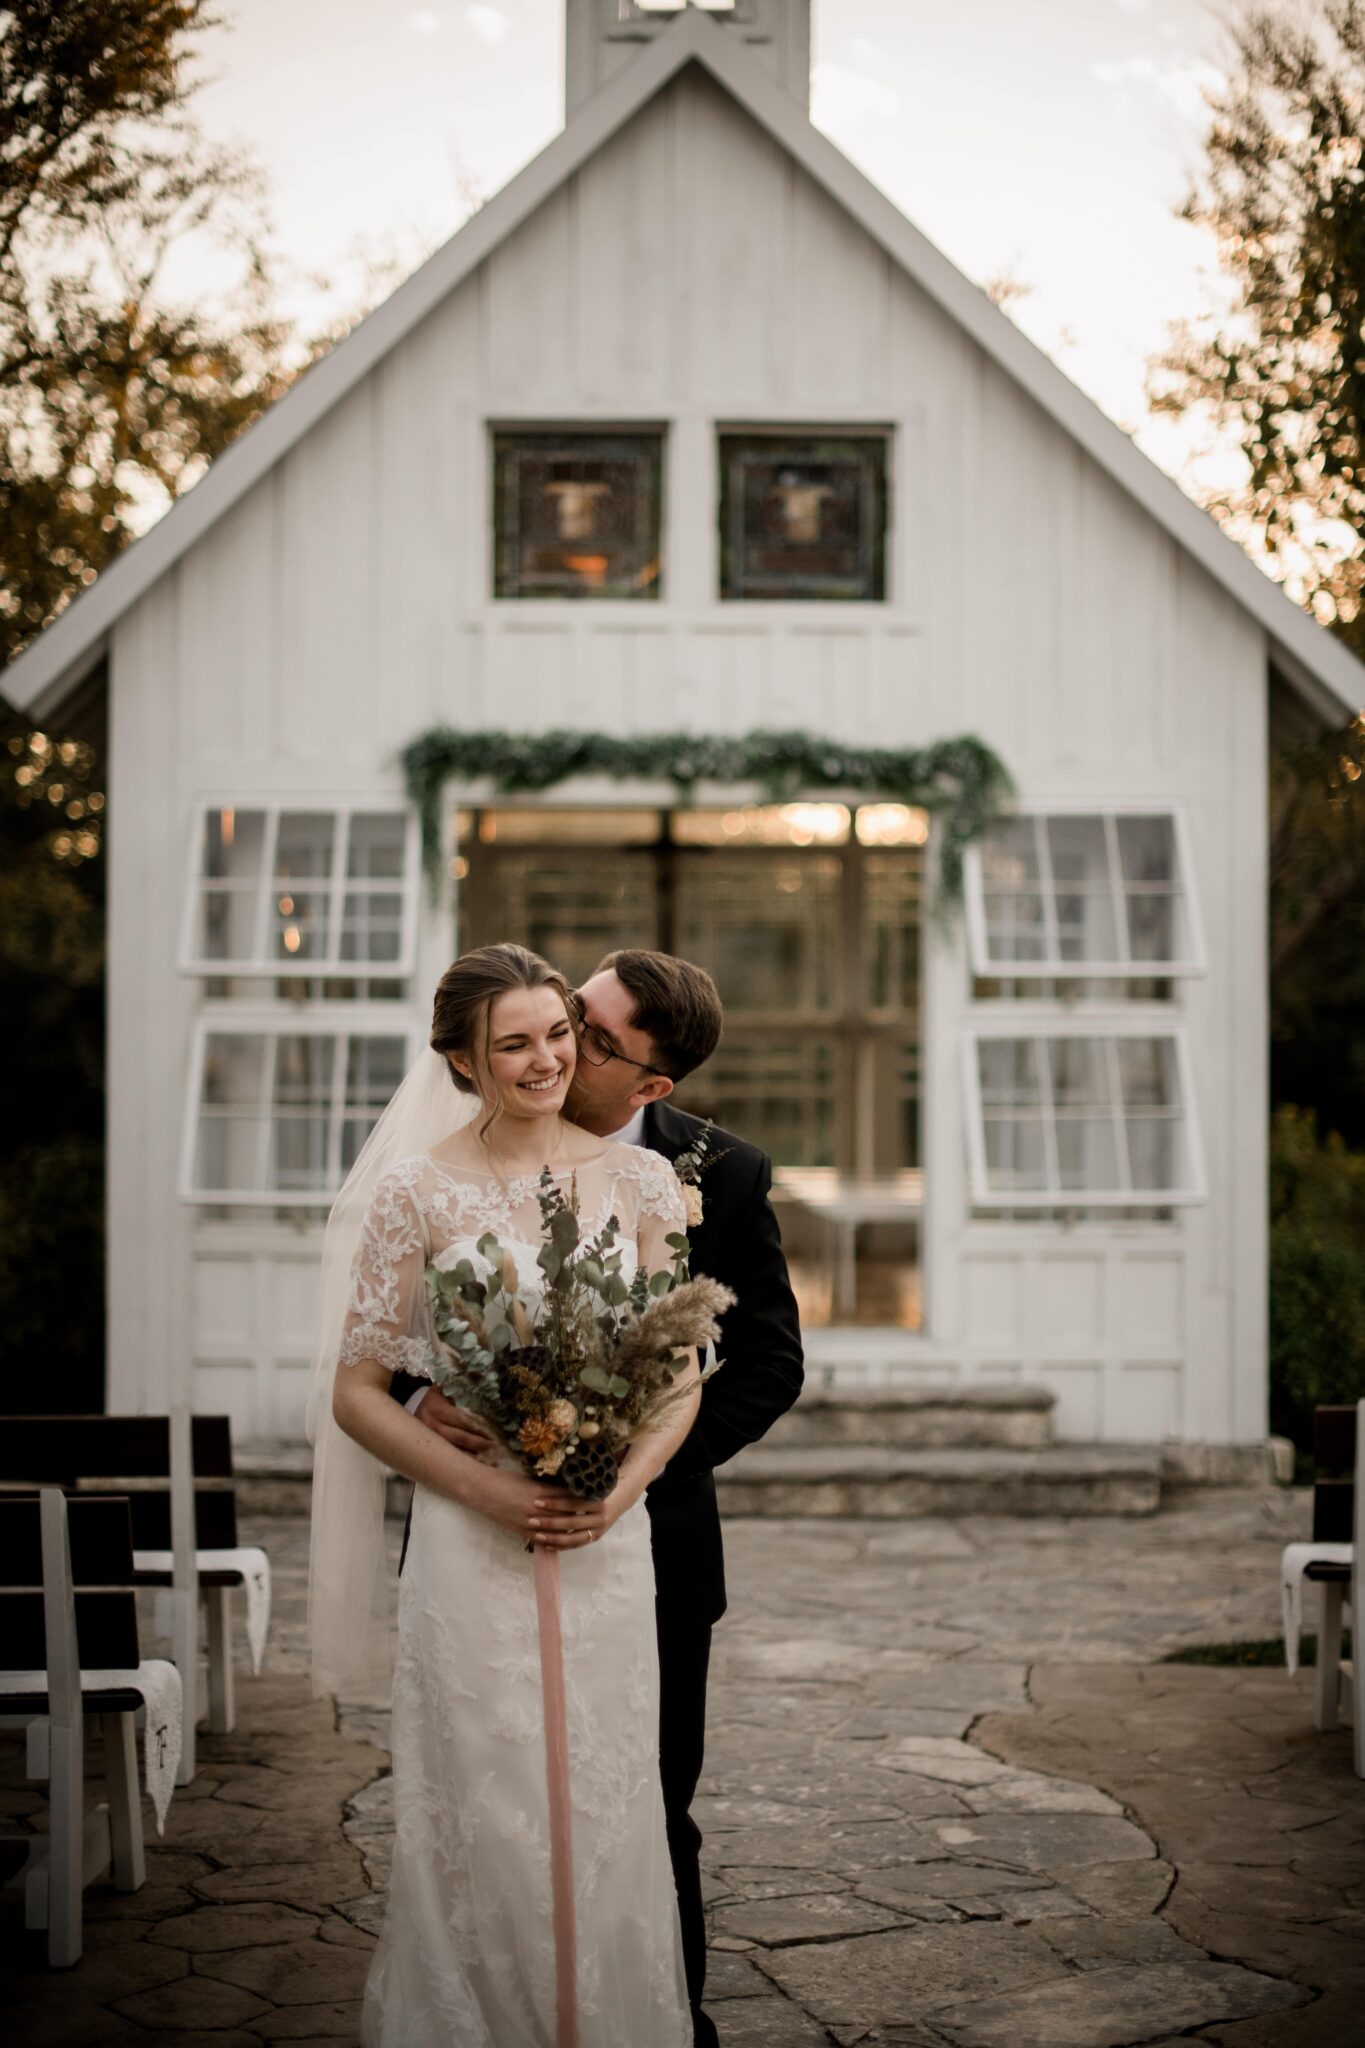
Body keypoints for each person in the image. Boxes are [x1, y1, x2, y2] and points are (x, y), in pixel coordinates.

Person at [395, 949, 806, 2048]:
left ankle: (666, 2021)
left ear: (652, 1087)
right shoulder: (448, 1151)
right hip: (477, 1531)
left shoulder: (717, 1171)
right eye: (570, 1008)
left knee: (646, 1802)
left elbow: (766, 1365)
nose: (563, 1038)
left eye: (594, 1034)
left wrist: (617, 1458)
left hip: (649, 1545)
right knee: (483, 1801)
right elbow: (392, 1326)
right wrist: (420, 1395)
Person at [310, 943, 700, 2047]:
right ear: (463, 1061)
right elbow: (359, 1392)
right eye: (514, 1042)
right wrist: (489, 1490)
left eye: (557, 1033)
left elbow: (679, 1382)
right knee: (481, 1798)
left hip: (606, 1538)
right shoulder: (416, 1188)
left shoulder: (640, 1182)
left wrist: (619, 1490)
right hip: (470, 1540)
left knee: (610, 1799)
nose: (545, 1059)